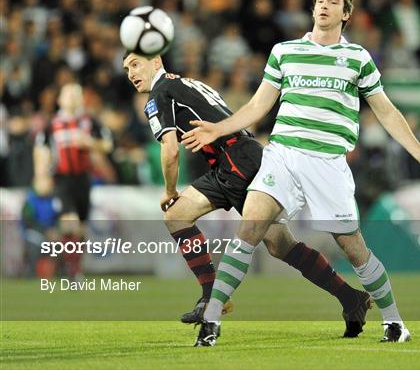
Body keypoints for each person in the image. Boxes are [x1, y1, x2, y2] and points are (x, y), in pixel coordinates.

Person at [182, 0, 420, 346]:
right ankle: (212, 322)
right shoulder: (285, 51)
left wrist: (419, 152)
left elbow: (386, 111)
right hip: (282, 155)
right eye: (320, 1)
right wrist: (217, 128)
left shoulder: (358, 58)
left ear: (346, 14)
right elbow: (257, 106)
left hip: (327, 163)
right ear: (313, 10)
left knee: (353, 248)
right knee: (250, 228)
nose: (324, 6)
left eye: (334, 2)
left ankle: (394, 323)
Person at [122, 51, 371, 335]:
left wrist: (169, 191)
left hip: (236, 161)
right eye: (127, 68)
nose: (130, 73)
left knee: (177, 215)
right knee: (279, 244)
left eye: (135, 64)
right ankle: (351, 298)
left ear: (156, 61)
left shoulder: (159, 93)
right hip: (242, 156)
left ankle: (211, 298)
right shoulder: (186, 83)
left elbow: (169, 150)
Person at [34, 83, 113, 279]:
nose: (72, 98)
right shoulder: (51, 124)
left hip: (83, 179)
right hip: (61, 179)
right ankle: (71, 270)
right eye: (68, 94)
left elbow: (107, 144)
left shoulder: (89, 121)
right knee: (70, 222)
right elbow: (40, 148)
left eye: (75, 94)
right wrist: (40, 173)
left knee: (81, 228)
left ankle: (73, 266)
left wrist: (91, 143)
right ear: (60, 99)